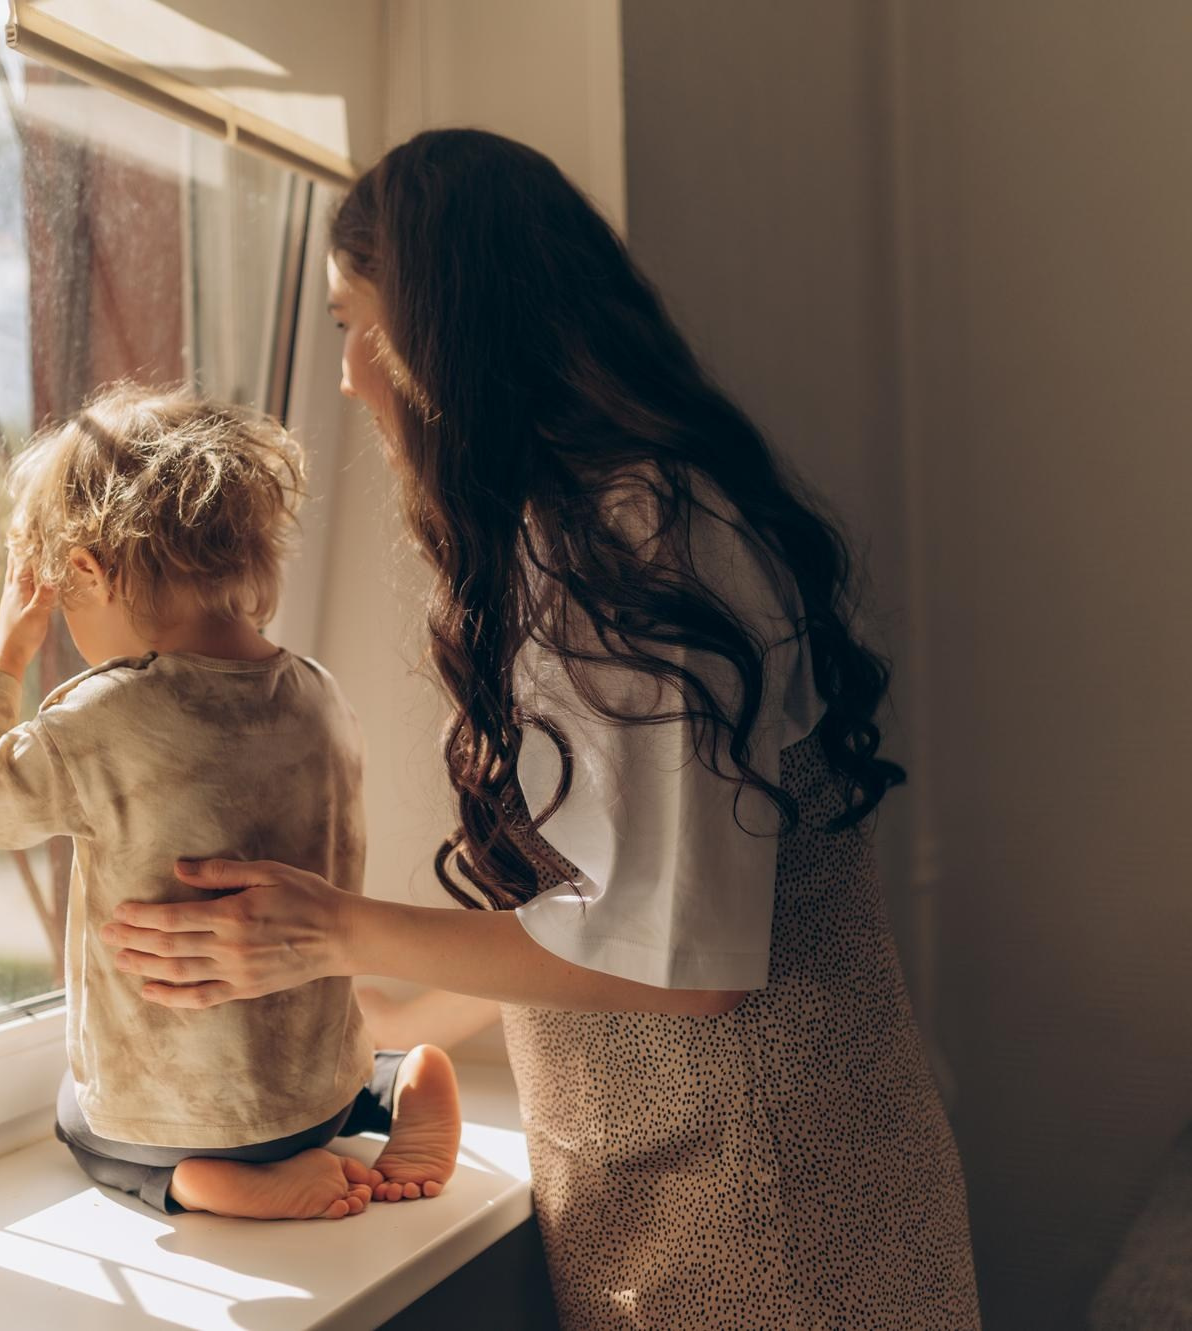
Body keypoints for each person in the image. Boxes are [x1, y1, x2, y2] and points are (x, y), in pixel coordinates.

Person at [101, 132, 982, 1326]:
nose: (351, 375)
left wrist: (331, 932)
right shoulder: (580, 527)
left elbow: (682, 965)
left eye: (361, 322)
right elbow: (617, 897)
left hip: (773, 1207)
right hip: (699, 1186)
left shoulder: (630, 537)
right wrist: (395, 1020)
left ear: (456, 328)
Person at [0, 383, 462, 1221]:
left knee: (79, 1118)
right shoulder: (319, 696)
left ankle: (195, 1179)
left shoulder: (103, 713)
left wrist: (10, 646)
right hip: (318, 1091)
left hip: (178, 1115)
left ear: (85, 571)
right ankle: (399, 1082)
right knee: (350, 1061)